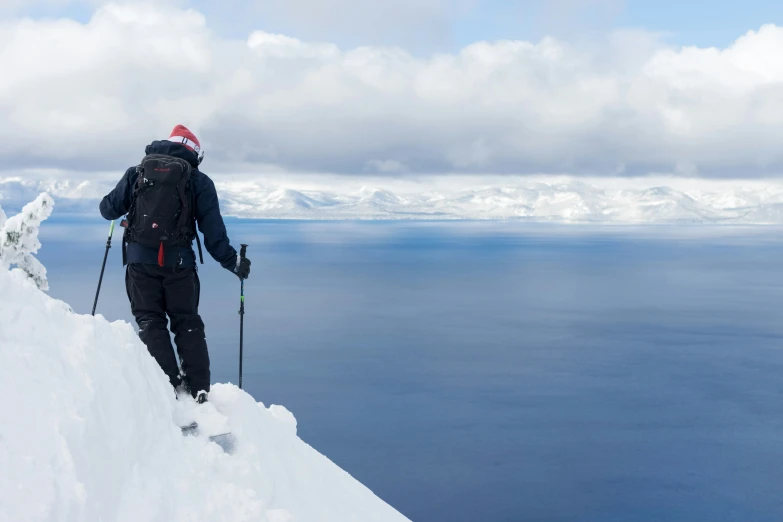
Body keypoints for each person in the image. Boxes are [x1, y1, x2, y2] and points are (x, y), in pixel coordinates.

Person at [99, 125, 251, 403]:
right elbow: (213, 233)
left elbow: (107, 209)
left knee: (150, 321)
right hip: (180, 264)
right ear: (194, 153)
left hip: (139, 262)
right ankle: (199, 390)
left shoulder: (137, 172)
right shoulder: (199, 181)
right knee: (187, 322)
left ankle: (169, 385)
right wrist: (233, 262)